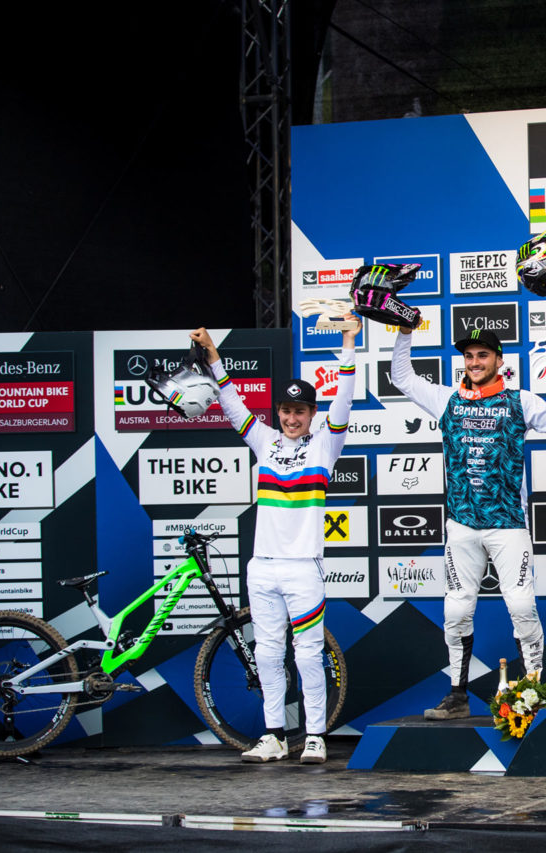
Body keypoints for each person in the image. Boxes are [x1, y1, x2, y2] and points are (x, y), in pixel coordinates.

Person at [390, 325, 546, 719]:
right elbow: (402, 377)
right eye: (469, 356)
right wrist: (405, 331)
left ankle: (534, 690)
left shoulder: (519, 400)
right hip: (461, 523)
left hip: (507, 523)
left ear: (499, 361)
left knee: (522, 604)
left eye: (482, 355)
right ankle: (457, 695)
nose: (475, 362)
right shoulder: (447, 399)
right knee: (455, 612)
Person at [191, 317, 358, 764]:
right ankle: (274, 735)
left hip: (303, 565)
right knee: (267, 654)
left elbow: (343, 400)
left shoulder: (326, 445)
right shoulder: (264, 441)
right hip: (261, 565)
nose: (291, 417)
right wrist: (213, 356)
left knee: (307, 654)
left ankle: (317, 735)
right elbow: (230, 403)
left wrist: (348, 343)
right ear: (277, 413)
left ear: (311, 415)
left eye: (299, 411)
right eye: (285, 411)